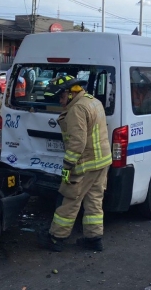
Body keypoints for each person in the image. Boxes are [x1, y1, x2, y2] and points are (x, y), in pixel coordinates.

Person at [38, 75, 112, 252]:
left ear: (71, 93)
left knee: (70, 199)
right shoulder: (92, 101)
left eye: (61, 97)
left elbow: (77, 142)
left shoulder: (76, 109)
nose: (60, 101)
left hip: (83, 164)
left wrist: (67, 167)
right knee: (94, 200)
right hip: (101, 162)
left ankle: (56, 238)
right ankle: (94, 239)